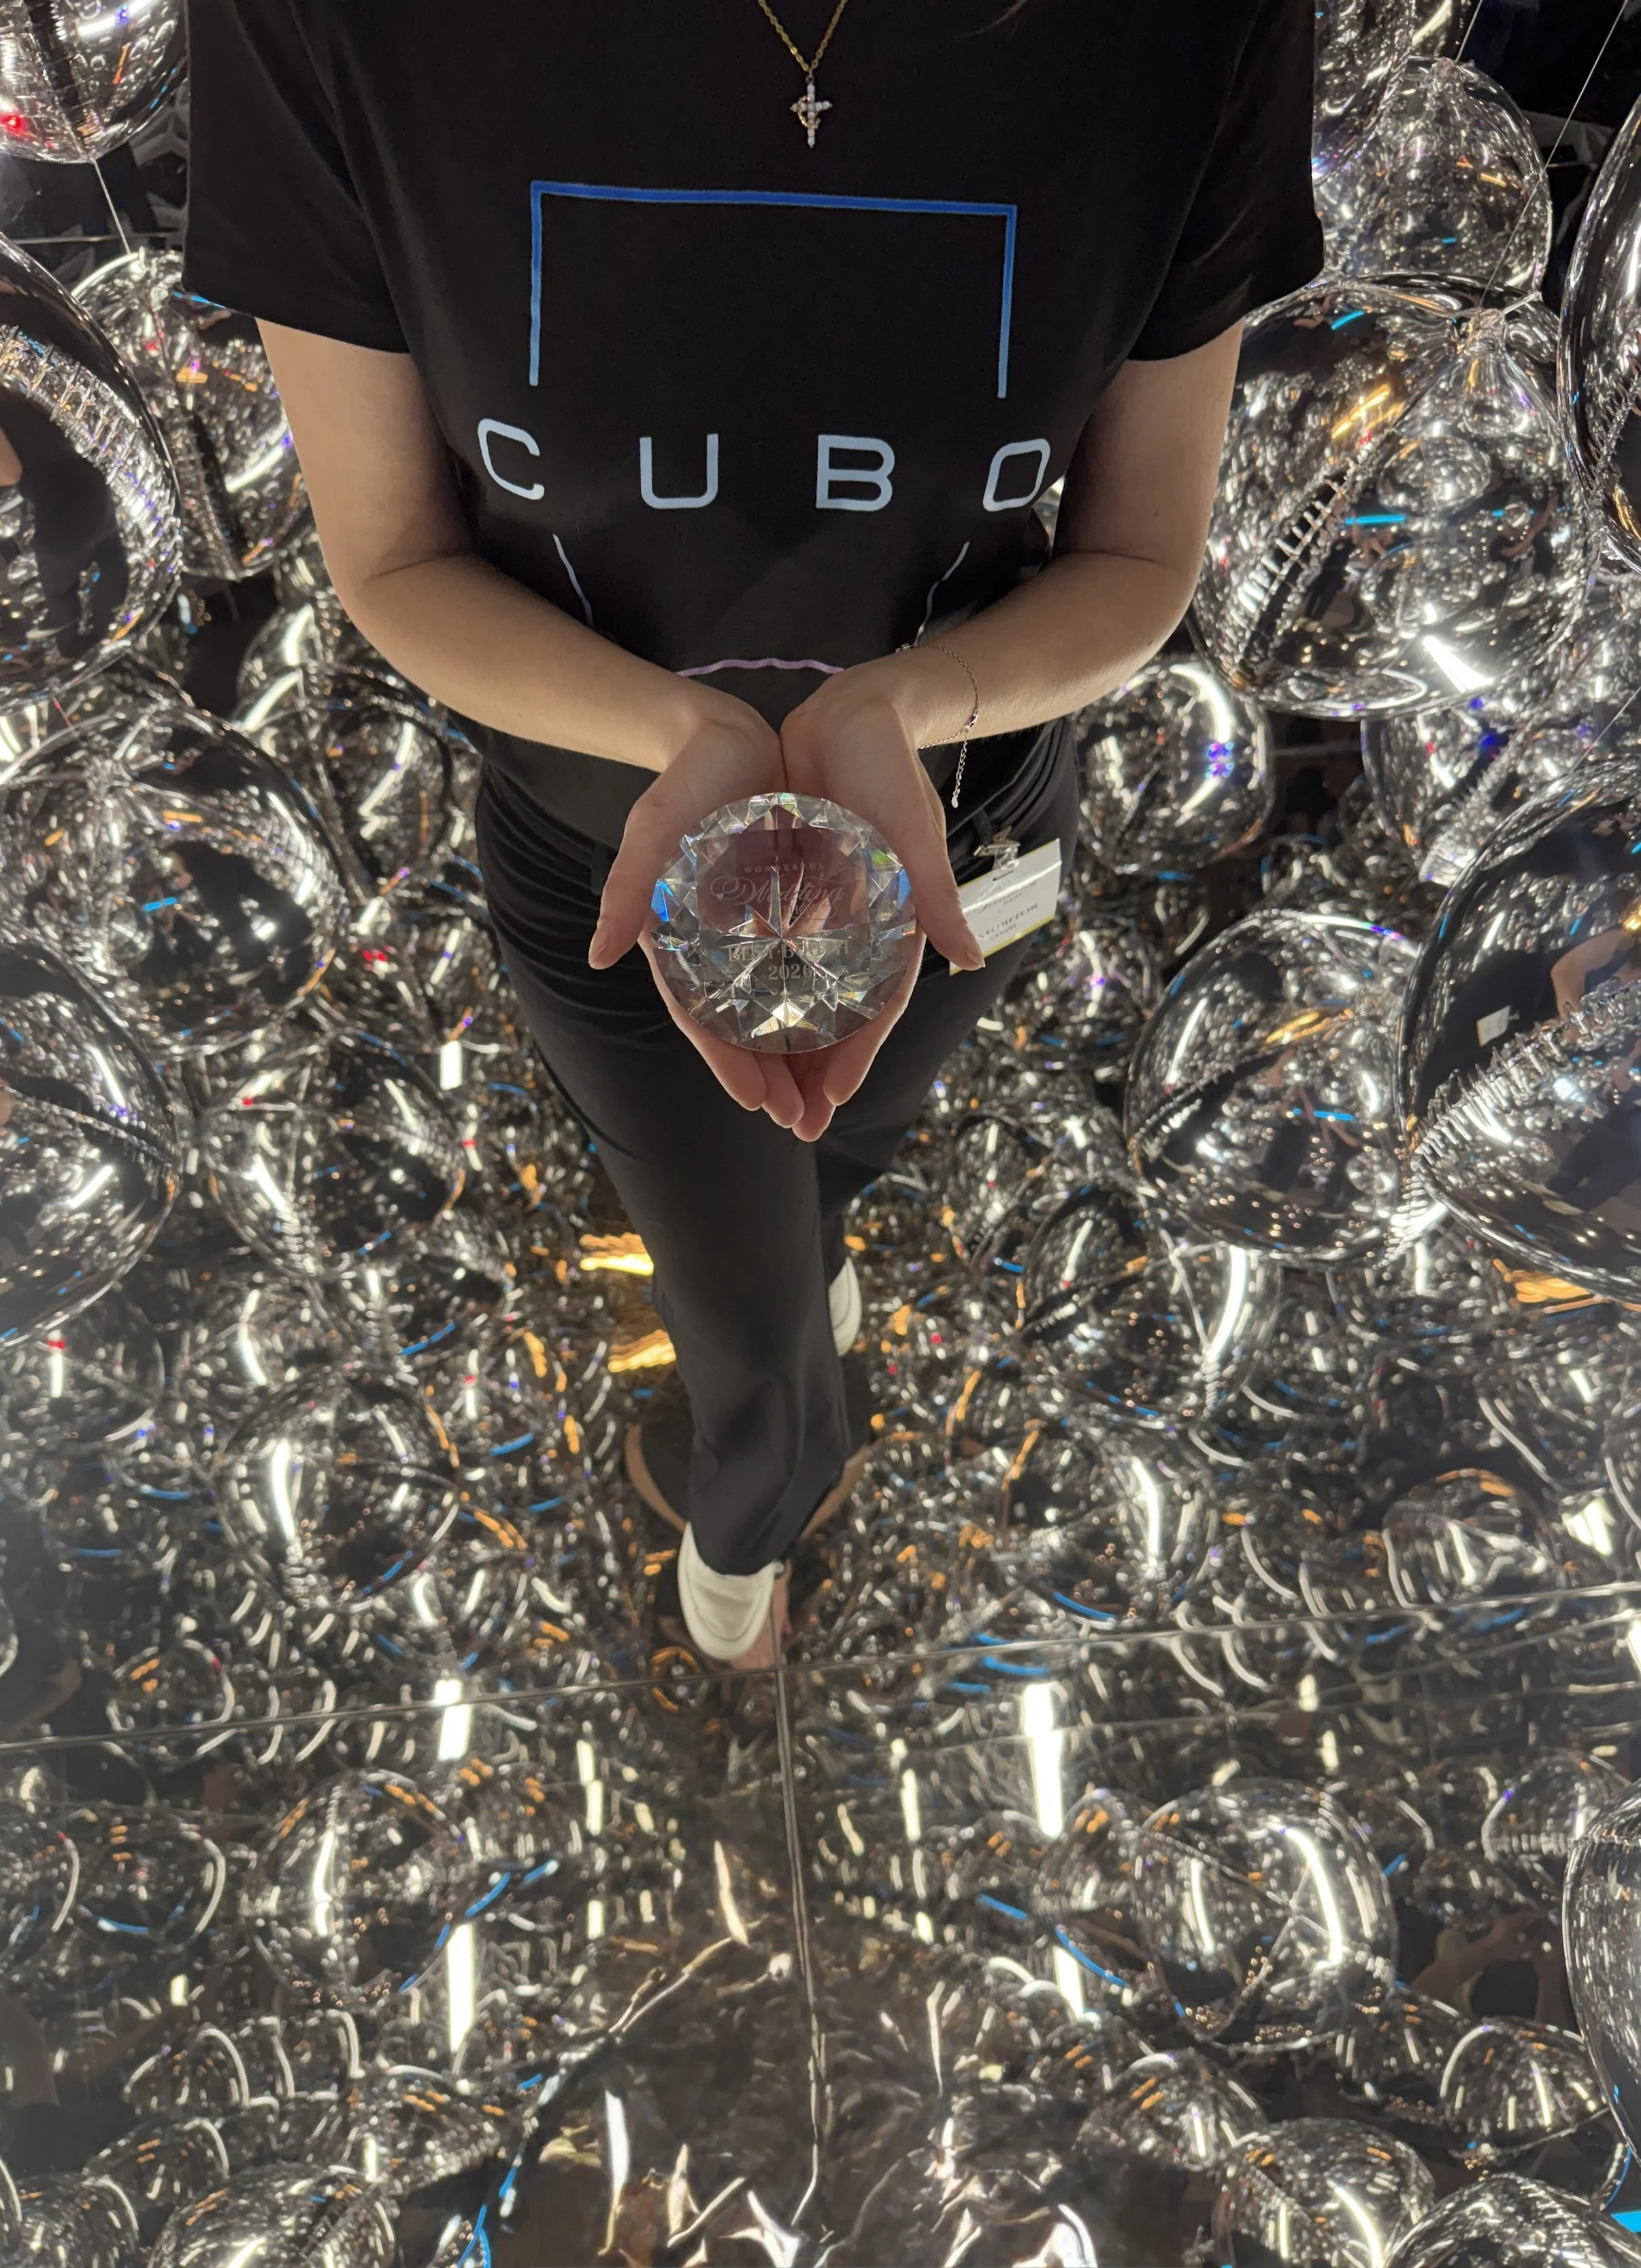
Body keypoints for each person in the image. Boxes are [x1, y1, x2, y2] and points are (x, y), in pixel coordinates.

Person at [184, 0, 1322, 1671]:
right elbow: (395, 557)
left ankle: (813, 1273)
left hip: (958, 833)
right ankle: (751, 1518)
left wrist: (892, 712)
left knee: (847, 1150)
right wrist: (685, 734)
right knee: (745, 1326)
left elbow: (1140, 553)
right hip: (611, 868)